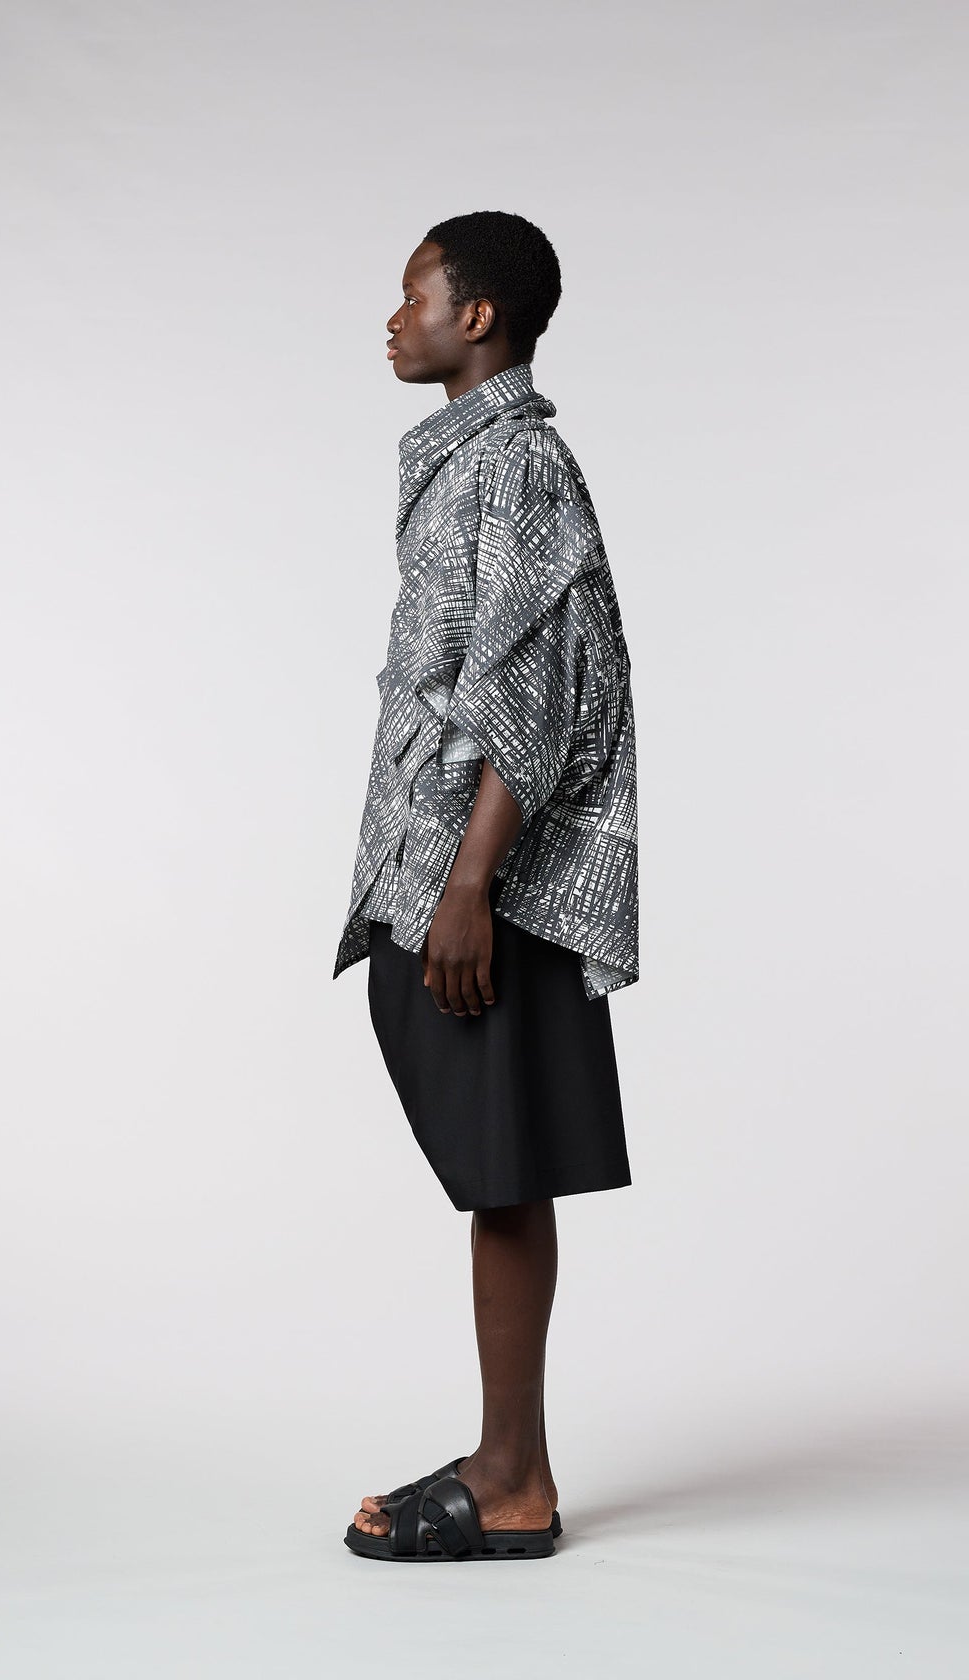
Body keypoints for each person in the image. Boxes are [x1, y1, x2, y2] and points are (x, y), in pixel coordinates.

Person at [331, 210, 639, 1562]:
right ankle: (513, 1461)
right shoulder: (472, 457)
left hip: (491, 886)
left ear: (479, 317)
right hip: (458, 869)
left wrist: (468, 886)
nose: (393, 320)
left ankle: (511, 1482)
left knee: (507, 1173)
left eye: (415, 297)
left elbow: (541, 692)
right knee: (500, 1171)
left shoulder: (516, 464)